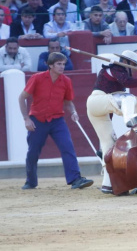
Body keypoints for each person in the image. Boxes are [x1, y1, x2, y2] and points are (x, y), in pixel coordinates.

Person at [18, 51, 94, 190]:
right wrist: (26, 119)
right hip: (38, 120)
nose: (62, 67)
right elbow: (22, 97)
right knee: (33, 152)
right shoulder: (37, 78)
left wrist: (74, 111)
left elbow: (68, 101)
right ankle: (31, 181)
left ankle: (75, 179)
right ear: (50, 65)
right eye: (59, 64)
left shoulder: (66, 81)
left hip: (57, 120)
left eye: (64, 64)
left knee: (67, 147)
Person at [86, 50, 137, 194]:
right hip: (98, 100)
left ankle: (108, 184)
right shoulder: (115, 68)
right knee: (127, 98)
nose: (133, 67)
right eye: (133, 64)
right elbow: (126, 82)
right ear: (127, 62)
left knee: (109, 146)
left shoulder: (118, 70)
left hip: (98, 108)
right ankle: (129, 118)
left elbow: (112, 101)